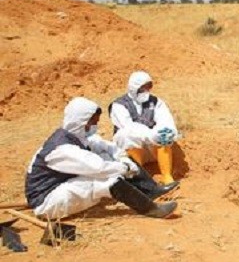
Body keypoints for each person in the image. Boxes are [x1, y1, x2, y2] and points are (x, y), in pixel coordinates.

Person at [25, 97, 178, 220]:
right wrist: (125, 168)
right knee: (104, 179)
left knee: (108, 157)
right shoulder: (62, 150)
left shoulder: (75, 137)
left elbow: (108, 147)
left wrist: (121, 157)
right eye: (92, 122)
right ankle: (151, 209)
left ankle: (150, 190)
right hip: (47, 202)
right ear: (81, 122)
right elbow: (98, 168)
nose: (94, 126)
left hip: (60, 187)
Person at [110, 71, 180, 184]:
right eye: (142, 87)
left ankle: (167, 176)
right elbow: (128, 127)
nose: (146, 90)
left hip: (153, 148)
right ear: (134, 87)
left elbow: (165, 119)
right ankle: (137, 179)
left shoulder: (156, 102)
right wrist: (150, 135)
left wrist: (164, 132)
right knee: (125, 135)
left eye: (148, 87)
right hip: (132, 150)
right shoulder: (119, 105)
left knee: (165, 134)